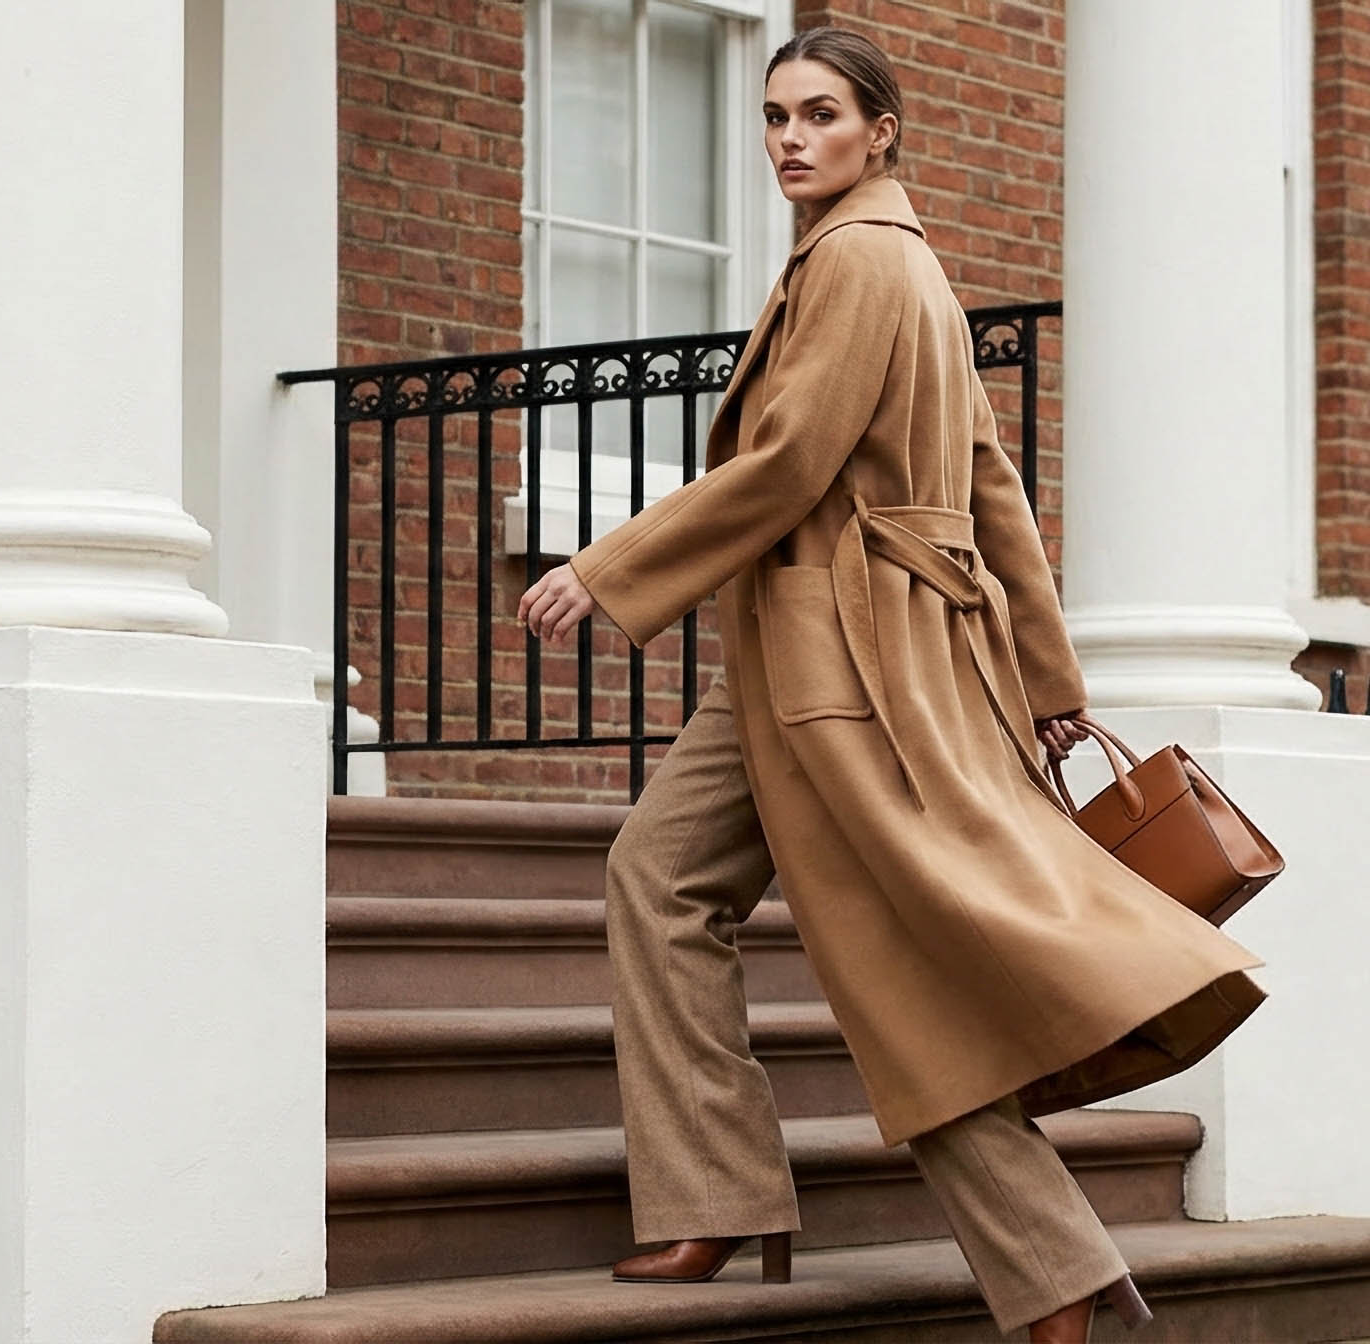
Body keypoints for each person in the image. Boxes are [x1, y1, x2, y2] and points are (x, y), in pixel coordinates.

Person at [517, 27, 1267, 1344]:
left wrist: (613, 566)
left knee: (899, 983)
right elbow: (991, 485)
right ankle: (716, 1195)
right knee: (658, 873)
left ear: (883, 131)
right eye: (773, 117)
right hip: (796, 656)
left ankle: (1061, 1276)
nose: (790, 139)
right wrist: (1044, 673)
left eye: (819, 114)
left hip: (846, 668)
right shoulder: (880, 262)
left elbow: (793, 464)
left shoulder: (864, 261)